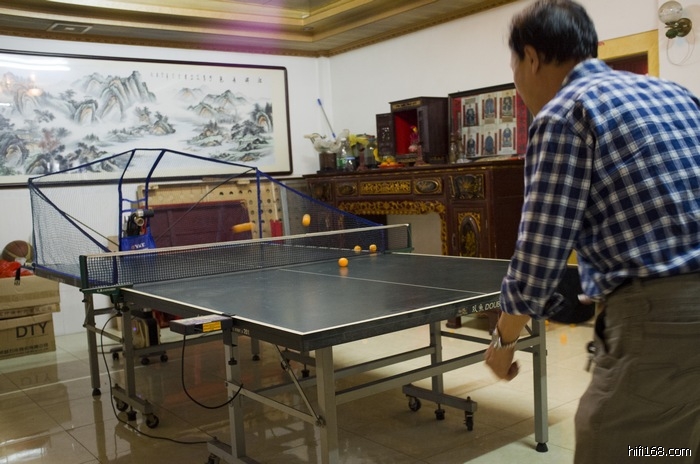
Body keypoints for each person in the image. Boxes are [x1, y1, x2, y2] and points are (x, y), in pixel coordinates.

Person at [484, 1, 700, 462]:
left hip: (661, 322)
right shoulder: (677, 95)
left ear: (531, 57)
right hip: (676, 318)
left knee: (613, 446)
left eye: (514, 66)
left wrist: (504, 341)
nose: (517, 81)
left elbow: (539, 254)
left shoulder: (564, 113)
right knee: (673, 445)